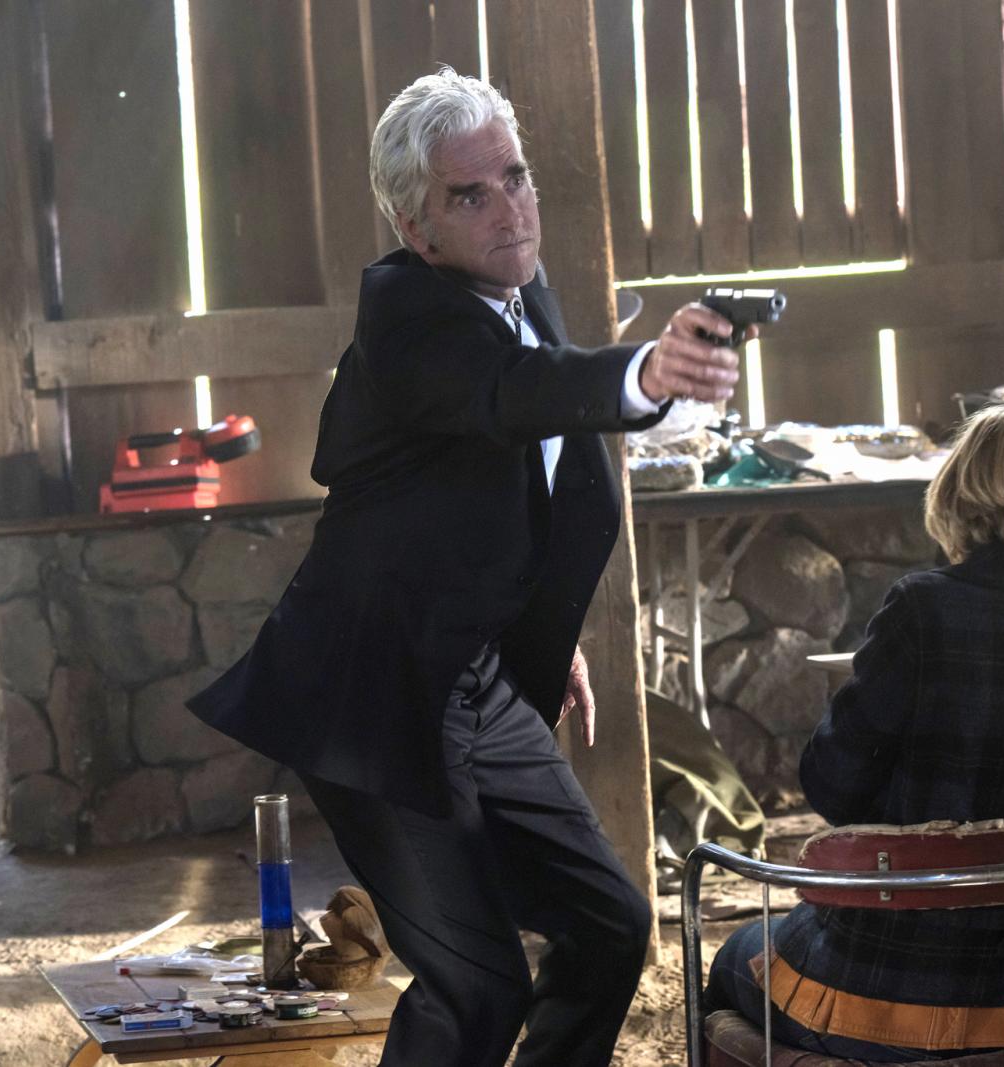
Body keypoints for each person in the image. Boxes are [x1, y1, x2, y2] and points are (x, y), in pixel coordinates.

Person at [188, 68, 744, 1067]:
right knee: (477, 985)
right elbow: (510, 394)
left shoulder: (519, 286)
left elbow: (516, 474)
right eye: (469, 195)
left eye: (515, 177)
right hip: (375, 690)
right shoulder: (406, 314)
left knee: (610, 927)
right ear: (417, 228)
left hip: (472, 675)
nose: (509, 208)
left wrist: (543, 629)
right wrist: (644, 373)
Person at [705, 406, 1004, 1061]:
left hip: (897, 988)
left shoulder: (922, 608)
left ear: (958, 492)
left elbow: (832, 787)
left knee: (734, 954)